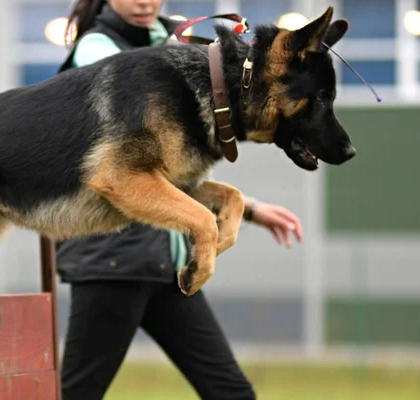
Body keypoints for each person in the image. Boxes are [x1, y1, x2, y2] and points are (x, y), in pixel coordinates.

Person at [54, 0, 303, 399]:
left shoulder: (170, 41)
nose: (144, 2)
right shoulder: (96, 49)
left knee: (231, 392)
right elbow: (133, 162)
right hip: (112, 263)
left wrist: (250, 210)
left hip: (170, 267)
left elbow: (175, 168)